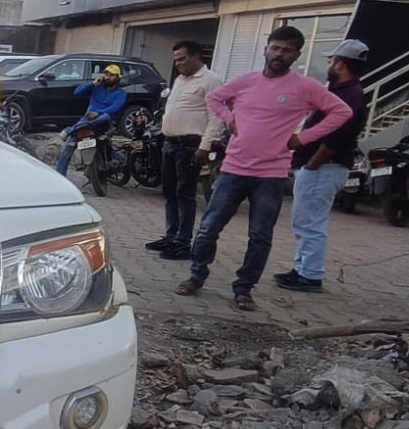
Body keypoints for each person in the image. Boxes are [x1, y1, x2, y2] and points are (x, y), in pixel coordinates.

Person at [176, 26, 352, 311]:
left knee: (260, 237)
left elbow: (342, 111)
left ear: (297, 54)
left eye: (287, 50)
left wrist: (303, 138)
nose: (279, 54)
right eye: (275, 48)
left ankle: (244, 288)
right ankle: (196, 277)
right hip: (233, 170)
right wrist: (230, 120)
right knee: (208, 229)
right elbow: (213, 98)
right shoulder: (245, 82)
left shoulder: (305, 87)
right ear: (266, 49)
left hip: (271, 176)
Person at [275, 39, 372, 293]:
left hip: (324, 167)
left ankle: (311, 274)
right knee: (304, 221)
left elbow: (337, 138)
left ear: (340, 64)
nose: (329, 65)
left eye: (331, 61)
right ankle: (302, 269)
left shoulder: (350, 96)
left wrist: (312, 165)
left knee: (310, 223)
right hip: (322, 165)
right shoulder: (343, 92)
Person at [147, 41, 225, 260]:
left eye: (182, 59)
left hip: (191, 145)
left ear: (196, 56)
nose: (178, 63)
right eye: (175, 59)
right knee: (169, 192)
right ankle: (171, 236)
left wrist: (205, 146)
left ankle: (183, 242)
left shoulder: (211, 80)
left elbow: (216, 116)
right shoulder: (181, 79)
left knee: (185, 194)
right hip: (170, 143)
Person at [54, 63, 127, 175]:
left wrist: (97, 113)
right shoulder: (96, 87)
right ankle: (60, 175)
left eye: (112, 75)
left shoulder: (121, 93)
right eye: (106, 74)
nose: (108, 77)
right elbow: (77, 92)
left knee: (105, 117)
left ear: (117, 78)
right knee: (70, 143)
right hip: (87, 121)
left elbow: (114, 108)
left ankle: (69, 130)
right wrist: (92, 84)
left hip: (104, 122)